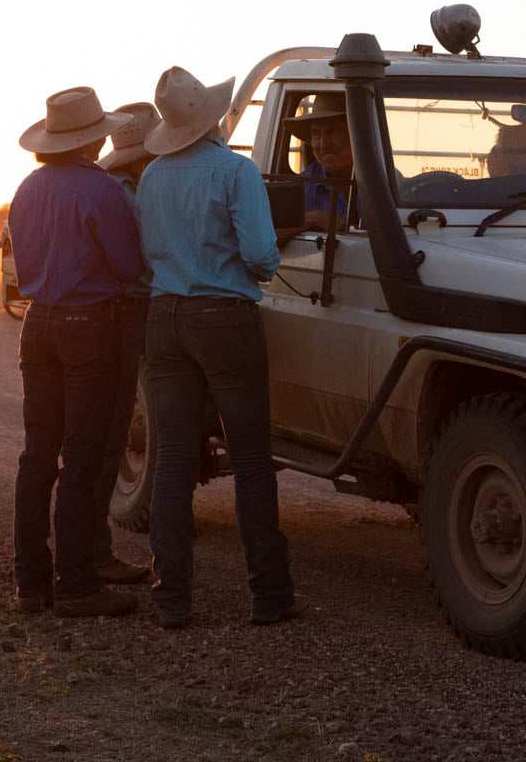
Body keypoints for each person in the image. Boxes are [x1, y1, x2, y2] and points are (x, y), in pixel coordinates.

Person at [135, 66, 301, 629]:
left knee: (174, 460)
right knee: (252, 458)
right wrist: (267, 267)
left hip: (165, 317)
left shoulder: (152, 175)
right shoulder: (236, 172)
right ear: (214, 119)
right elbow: (259, 254)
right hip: (224, 317)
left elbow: (148, 249)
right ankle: (269, 595)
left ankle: (172, 599)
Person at [6, 86, 146, 619]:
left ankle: (30, 581)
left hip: (38, 321)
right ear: (93, 138)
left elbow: (22, 263)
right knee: (82, 457)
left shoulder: (27, 188)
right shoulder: (101, 190)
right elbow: (128, 264)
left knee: (36, 456)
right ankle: (77, 583)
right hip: (89, 325)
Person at [86, 100, 160, 586]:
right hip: (127, 307)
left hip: (102, 310)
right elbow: (134, 259)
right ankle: (92, 557)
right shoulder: (125, 193)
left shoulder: (113, 185)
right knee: (112, 424)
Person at [285, 93, 356, 230]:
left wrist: (339, 222)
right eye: (316, 134)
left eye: (332, 132)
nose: (323, 144)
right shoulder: (300, 188)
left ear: (353, 134)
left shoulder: (383, 181)